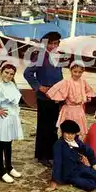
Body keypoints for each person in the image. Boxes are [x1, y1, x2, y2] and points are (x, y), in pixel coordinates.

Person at [24, 31, 63, 168]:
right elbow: (27, 73)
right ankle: (42, 155)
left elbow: (59, 76)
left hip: (56, 97)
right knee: (44, 127)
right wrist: (38, 87)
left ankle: (52, 153)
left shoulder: (57, 56)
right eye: (50, 43)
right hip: (44, 97)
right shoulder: (40, 55)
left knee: (53, 126)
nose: (53, 46)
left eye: (55, 43)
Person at [47, 120, 96, 192]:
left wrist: (94, 165)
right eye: (67, 133)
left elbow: (88, 150)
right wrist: (54, 182)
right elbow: (57, 163)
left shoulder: (76, 141)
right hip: (68, 173)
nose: (70, 136)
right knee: (89, 186)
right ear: (62, 133)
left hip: (79, 167)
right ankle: (88, 180)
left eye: (73, 134)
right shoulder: (58, 145)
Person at [46, 61, 96, 140]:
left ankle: (77, 147)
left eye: (80, 72)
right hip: (68, 110)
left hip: (79, 110)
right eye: (75, 71)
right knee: (68, 129)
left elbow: (89, 91)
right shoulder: (66, 82)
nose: (77, 74)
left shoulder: (83, 82)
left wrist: (87, 97)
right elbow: (55, 89)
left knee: (79, 130)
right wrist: (58, 98)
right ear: (71, 71)